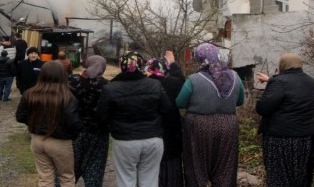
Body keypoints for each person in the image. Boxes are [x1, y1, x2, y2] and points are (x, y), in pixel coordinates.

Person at [96, 52, 172, 187]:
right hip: (153, 139)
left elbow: (101, 116)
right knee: (149, 181)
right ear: (140, 64)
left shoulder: (110, 88)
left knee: (126, 180)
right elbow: (167, 108)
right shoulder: (155, 85)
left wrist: (113, 127)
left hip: (124, 139)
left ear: (121, 66)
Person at [175, 43, 244, 187]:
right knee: (225, 169)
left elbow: (180, 102)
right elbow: (240, 100)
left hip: (198, 127)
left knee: (196, 168)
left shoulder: (194, 79)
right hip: (228, 127)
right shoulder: (235, 77)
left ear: (200, 59)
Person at [256, 71, 314, 187]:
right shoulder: (302, 86)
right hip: (300, 140)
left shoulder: (291, 91)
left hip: (292, 140)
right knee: (298, 176)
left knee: (293, 175)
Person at [15, 61, 82, 187]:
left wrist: (34, 125)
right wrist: (71, 135)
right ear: (62, 75)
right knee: (67, 178)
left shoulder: (29, 93)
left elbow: (20, 116)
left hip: (37, 140)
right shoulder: (67, 97)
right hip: (60, 142)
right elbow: (74, 123)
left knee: (45, 178)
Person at [255, 53, 314, 187]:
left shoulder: (278, 82)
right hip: (303, 139)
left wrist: (261, 99)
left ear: (282, 65)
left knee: (279, 177)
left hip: (280, 140)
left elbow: (263, 108)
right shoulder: (310, 81)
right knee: (297, 177)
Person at [68, 55, 110, 187]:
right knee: (95, 170)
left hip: (74, 132)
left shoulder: (72, 80)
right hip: (98, 134)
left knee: (69, 170)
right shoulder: (107, 86)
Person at [145, 53, 186, 187]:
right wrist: (173, 63)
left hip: (150, 134)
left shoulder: (144, 85)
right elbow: (180, 78)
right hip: (171, 133)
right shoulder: (173, 83)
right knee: (171, 168)